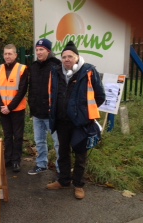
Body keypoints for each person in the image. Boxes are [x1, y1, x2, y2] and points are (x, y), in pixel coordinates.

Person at [47, 41, 105, 199]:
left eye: (70, 56)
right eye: (64, 56)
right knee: (63, 152)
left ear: (77, 57)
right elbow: (53, 94)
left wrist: (85, 113)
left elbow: (100, 96)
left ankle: (78, 185)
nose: (66, 59)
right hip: (61, 121)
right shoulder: (56, 71)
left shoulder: (88, 71)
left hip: (81, 123)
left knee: (80, 154)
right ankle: (64, 181)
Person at [28, 39, 61, 175]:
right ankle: (42, 164)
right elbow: (31, 87)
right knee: (39, 141)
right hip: (37, 112)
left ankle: (61, 168)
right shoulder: (34, 66)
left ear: (48, 50)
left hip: (52, 113)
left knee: (58, 143)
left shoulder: (57, 65)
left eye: (41, 49)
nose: (38, 52)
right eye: (37, 50)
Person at [0, 44, 28, 172]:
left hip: (17, 109)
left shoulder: (22, 69)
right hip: (3, 109)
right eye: (5, 54)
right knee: (7, 135)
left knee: (17, 136)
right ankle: (7, 159)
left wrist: (10, 107)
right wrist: (1, 106)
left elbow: (22, 90)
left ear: (15, 55)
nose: (7, 56)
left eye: (10, 54)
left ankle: (16, 161)